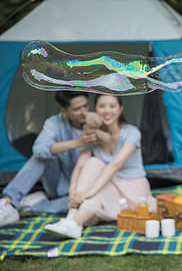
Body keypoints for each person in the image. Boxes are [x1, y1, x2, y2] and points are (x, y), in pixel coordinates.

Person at [44, 94, 156, 239]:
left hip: (132, 188)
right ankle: (71, 220)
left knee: (96, 194)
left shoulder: (131, 133)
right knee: (93, 163)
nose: (107, 111)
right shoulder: (93, 135)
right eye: (102, 106)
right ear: (95, 109)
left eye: (112, 106)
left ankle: (75, 222)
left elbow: (115, 165)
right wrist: (73, 192)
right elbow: (80, 166)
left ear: (120, 109)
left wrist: (89, 192)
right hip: (109, 185)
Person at [0, 91, 105, 226]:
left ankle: (33, 204)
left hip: (86, 189)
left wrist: (101, 129)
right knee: (42, 157)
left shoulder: (99, 121)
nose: (84, 112)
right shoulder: (55, 123)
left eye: (86, 106)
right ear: (64, 111)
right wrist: (77, 143)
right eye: (77, 109)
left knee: (87, 205)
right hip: (59, 183)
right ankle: (9, 202)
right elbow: (39, 149)